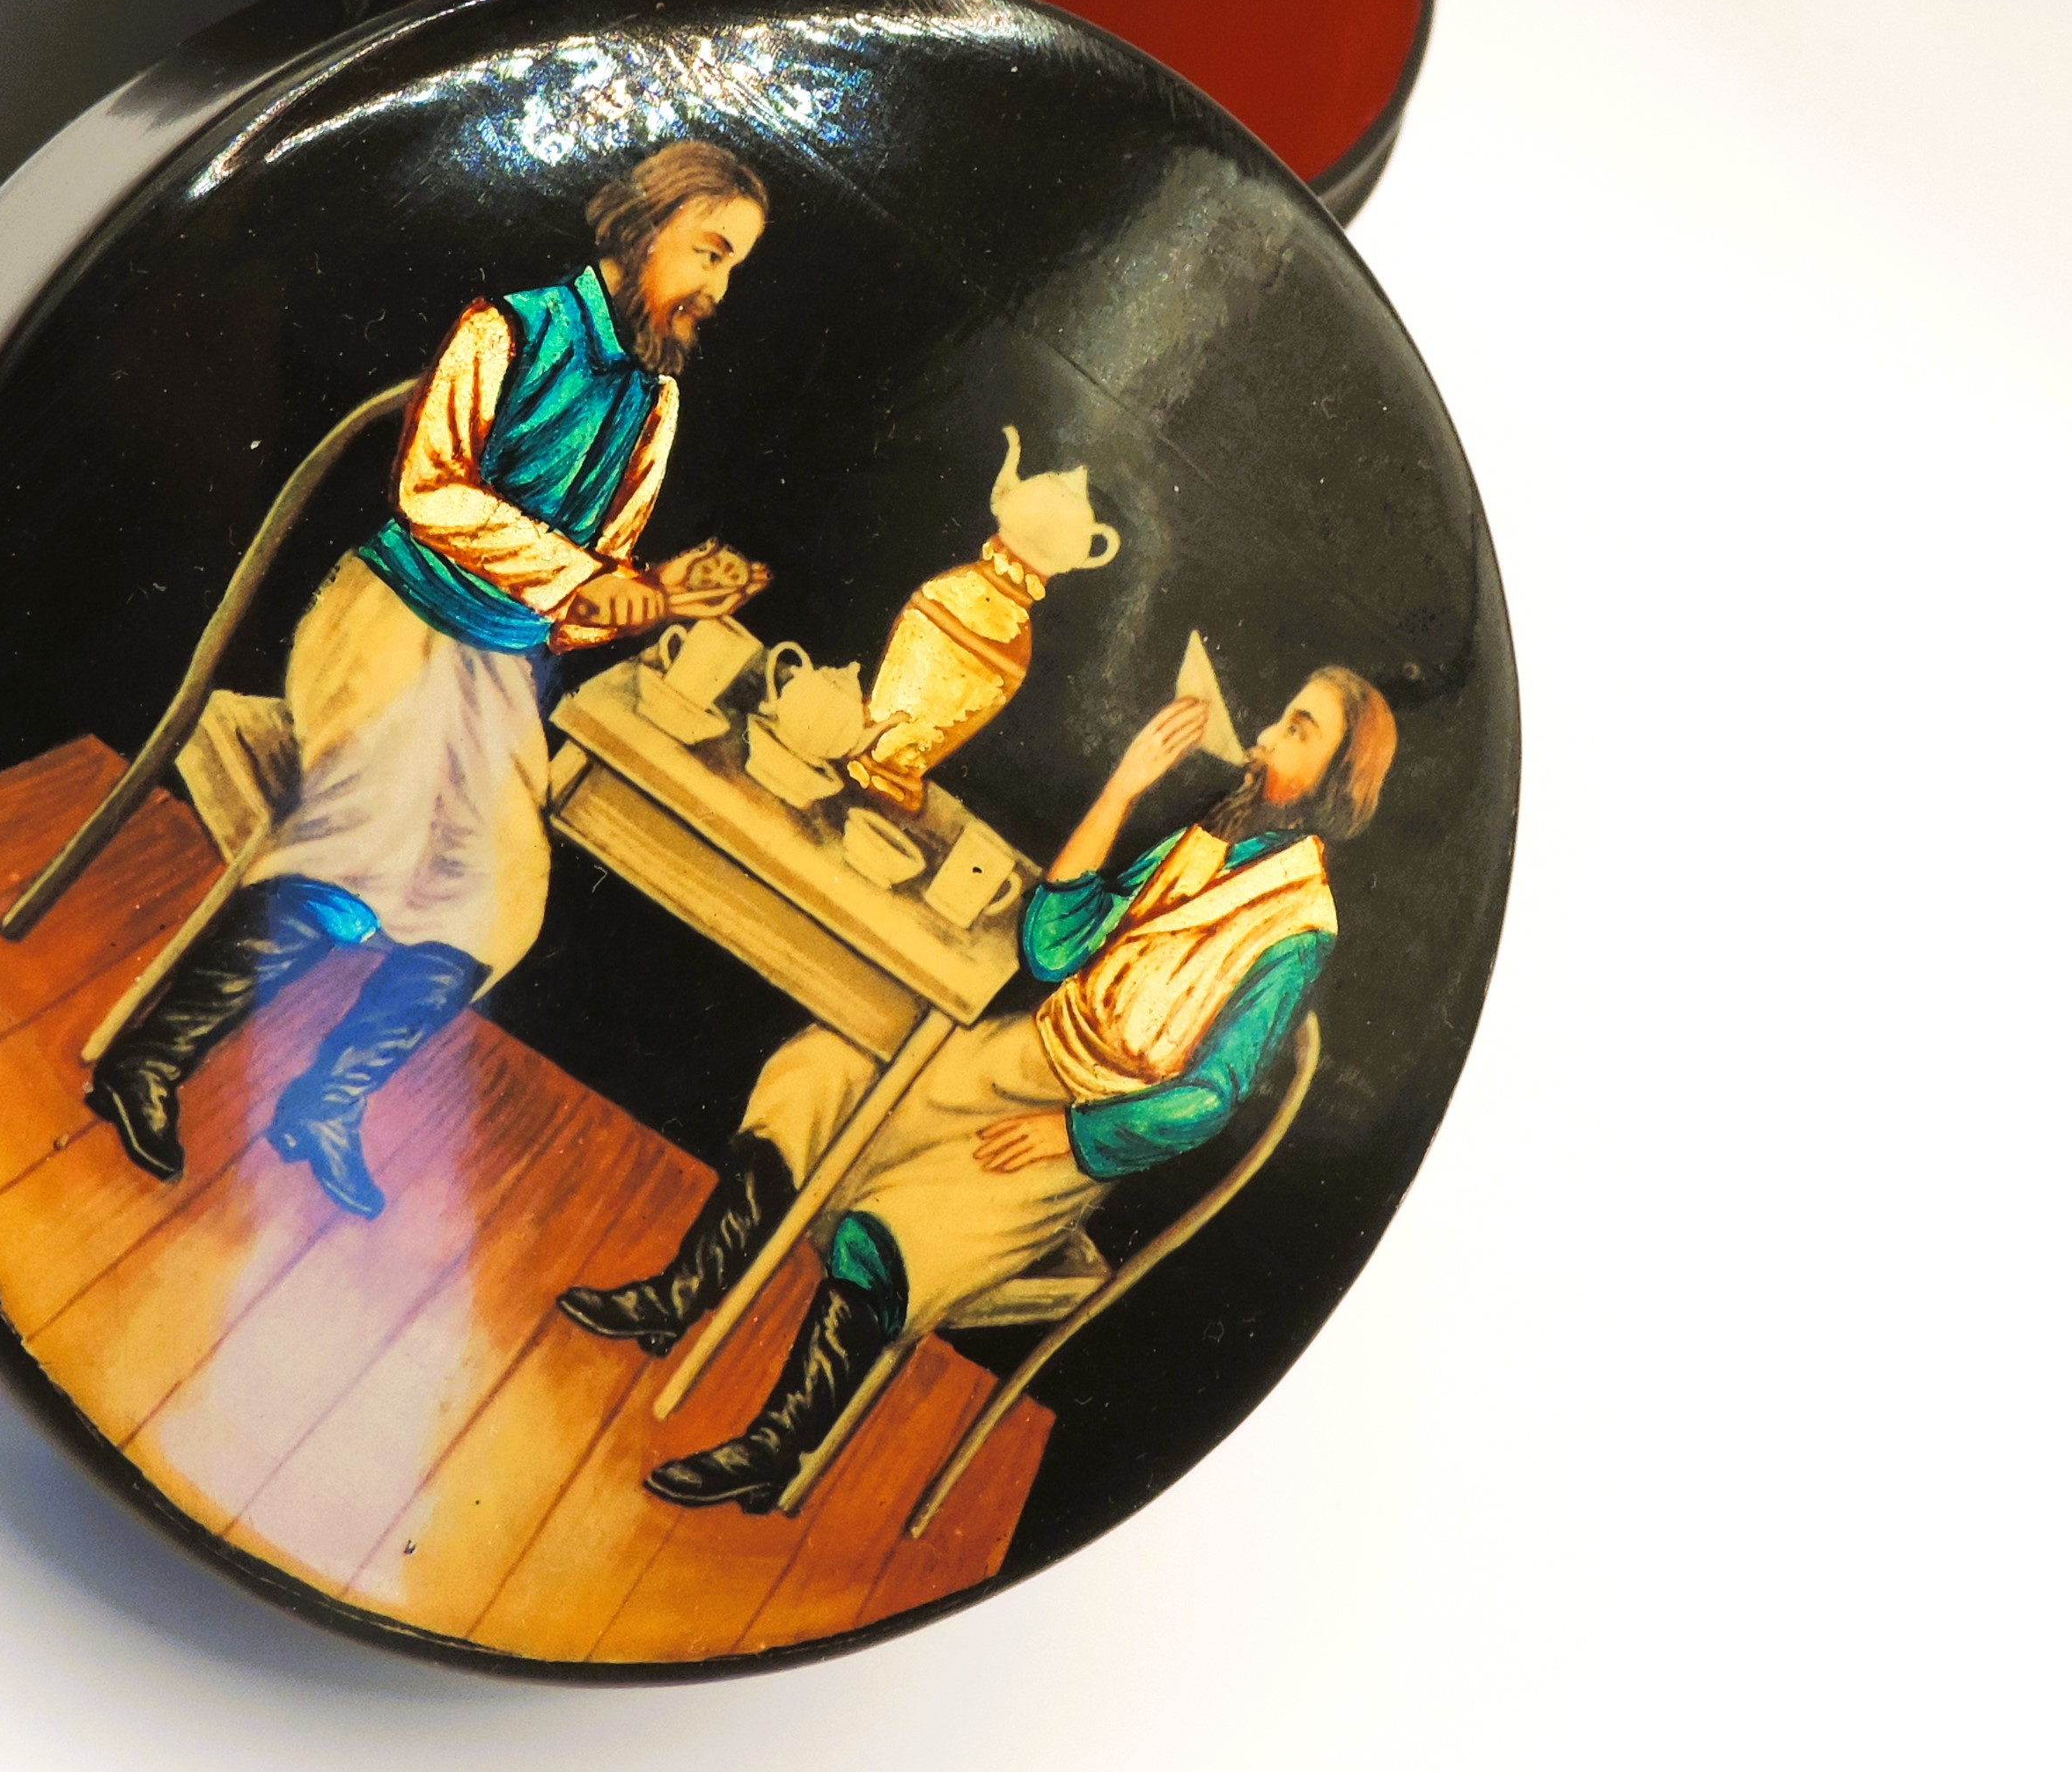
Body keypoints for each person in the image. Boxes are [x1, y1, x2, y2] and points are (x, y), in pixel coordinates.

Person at [86, 140, 770, 1217]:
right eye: (711, 252)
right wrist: (590, 577)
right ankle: (150, 1057)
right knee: (376, 826)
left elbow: (577, 598)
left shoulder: (659, 403)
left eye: (734, 267)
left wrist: (654, 594)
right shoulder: (507, 330)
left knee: (503, 896)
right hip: (389, 618)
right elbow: (433, 493)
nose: (718, 289)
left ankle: (325, 1101)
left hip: (497, 667)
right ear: (645, 225)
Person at [559, 664, 1398, 1509]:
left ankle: (775, 1450)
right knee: (819, 1073)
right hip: (1017, 1055)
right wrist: (1121, 788)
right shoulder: (1207, 840)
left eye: (1297, 730)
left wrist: (1070, 1133)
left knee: (899, 1228)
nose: (1263, 737)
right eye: (1281, 717)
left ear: (1336, 785)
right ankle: (677, 1297)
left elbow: (1211, 1097)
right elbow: (1052, 947)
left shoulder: (1298, 927)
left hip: (1081, 1127)